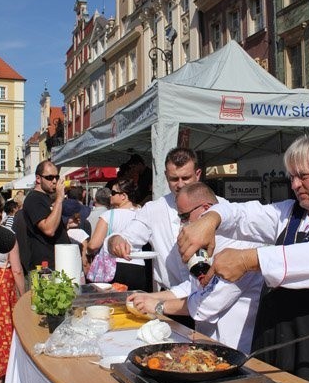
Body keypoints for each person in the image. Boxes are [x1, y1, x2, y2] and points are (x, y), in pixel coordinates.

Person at [178, 135, 309, 383]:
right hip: (274, 342)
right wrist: (212, 218)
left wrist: (250, 259)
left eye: (303, 176)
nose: (295, 184)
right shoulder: (288, 213)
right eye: (292, 177)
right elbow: (243, 215)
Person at [128, 183, 262, 352]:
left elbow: (206, 305)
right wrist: (149, 297)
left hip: (235, 349)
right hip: (208, 344)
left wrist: (157, 306)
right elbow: (193, 286)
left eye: (184, 216)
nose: (182, 223)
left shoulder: (241, 244)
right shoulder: (209, 241)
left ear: (206, 209)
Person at [106, 147, 203, 291]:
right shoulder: (154, 209)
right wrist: (116, 241)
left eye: (186, 178)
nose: (180, 184)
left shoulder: (218, 206)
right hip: (170, 297)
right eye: (174, 179)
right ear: (166, 176)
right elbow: (127, 237)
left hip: (211, 296)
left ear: (198, 174)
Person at [0, 191, 25, 383]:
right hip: (1, 291)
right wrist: (23, 297)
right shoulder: (6, 235)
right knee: (1, 339)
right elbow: (17, 271)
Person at [87, 178, 146, 290]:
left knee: (113, 304)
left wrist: (87, 250)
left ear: (123, 196)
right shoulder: (142, 213)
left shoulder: (108, 215)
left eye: (113, 193)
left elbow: (94, 244)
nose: (110, 196)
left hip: (114, 266)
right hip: (138, 266)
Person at [23, 160, 70, 270]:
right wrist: (59, 199)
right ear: (38, 179)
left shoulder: (46, 198)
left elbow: (52, 222)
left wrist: (67, 224)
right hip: (45, 266)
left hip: (56, 263)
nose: (54, 181)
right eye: (49, 177)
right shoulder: (33, 199)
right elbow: (49, 229)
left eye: (56, 177)